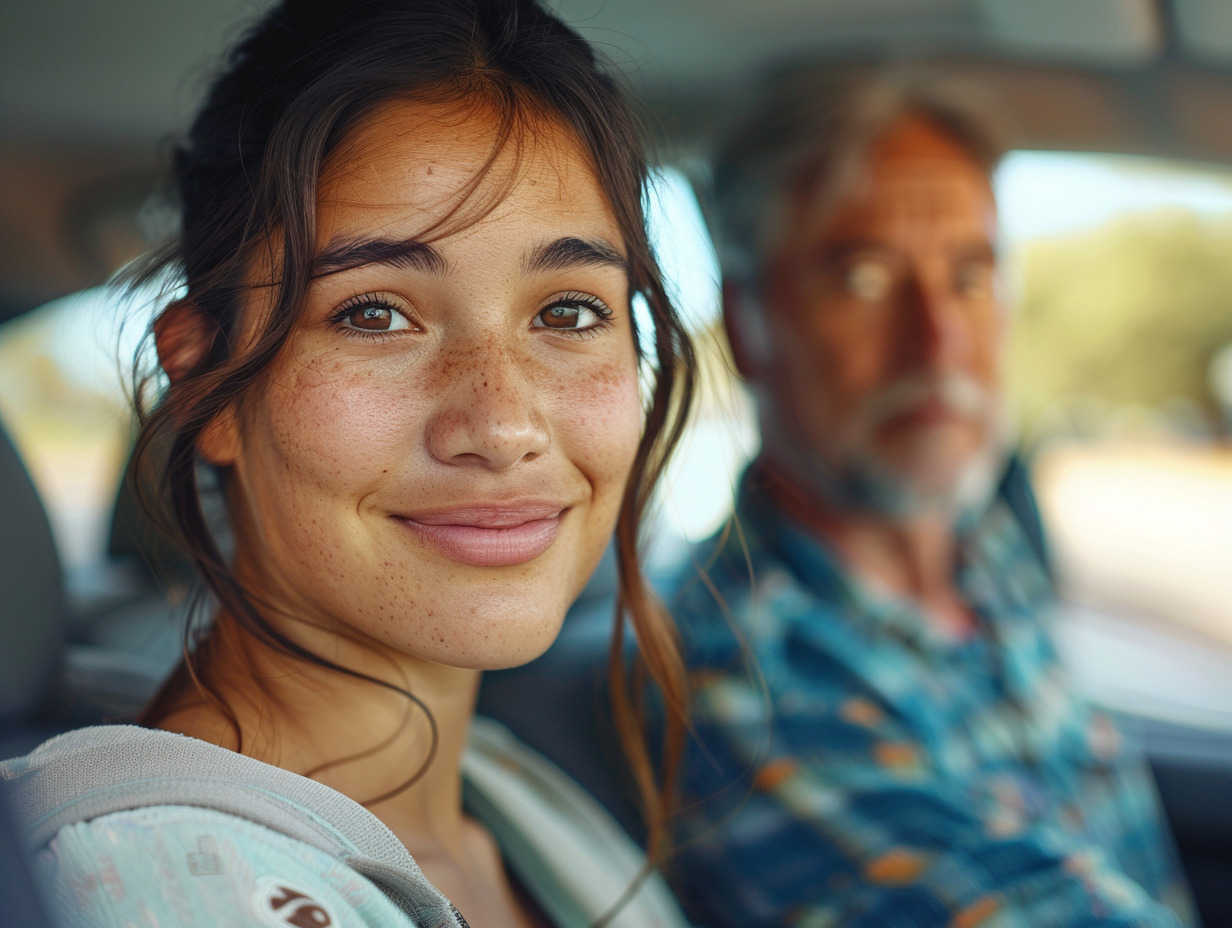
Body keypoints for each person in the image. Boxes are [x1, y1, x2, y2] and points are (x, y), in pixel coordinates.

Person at [0, 2, 697, 926]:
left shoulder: (513, 798)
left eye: (568, 312)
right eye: (375, 314)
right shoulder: (160, 888)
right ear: (205, 383)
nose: (501, 424)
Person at [664, 68, 1198, 927]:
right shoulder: (742, 672)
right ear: (747, 327)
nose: (939, 342)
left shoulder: (984, 551)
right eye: (864, 278)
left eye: (970, 275)